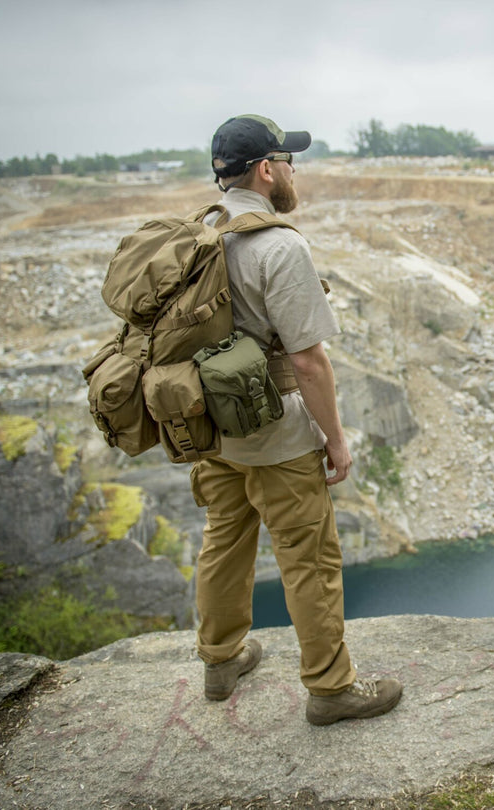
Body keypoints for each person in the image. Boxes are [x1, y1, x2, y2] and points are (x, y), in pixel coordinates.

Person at [193, 114, 401, 725]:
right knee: (308, 557)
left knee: (224, 542)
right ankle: (332, 690)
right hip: (276, 431)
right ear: (266, 168)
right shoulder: (279, 245)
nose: (291, 171)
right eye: (288, 161)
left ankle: (220, 660)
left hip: (211, 427)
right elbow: (308, 361)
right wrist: (335, 440)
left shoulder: (198, 236)